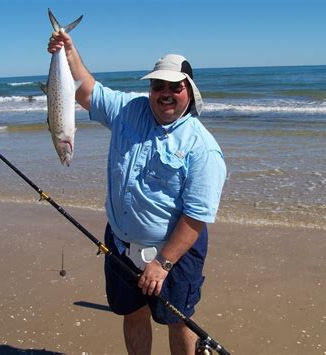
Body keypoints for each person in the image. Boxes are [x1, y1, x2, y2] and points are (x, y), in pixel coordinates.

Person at [48, 30, 226, 355]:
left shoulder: (203, 148)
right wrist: (67, 50)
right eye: (159, 85)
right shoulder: (129, 110)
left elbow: (196, 216)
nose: (166, 93)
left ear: (189, 90)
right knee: (132, 313)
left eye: (176, 86)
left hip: (174, 254)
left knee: (179, 320)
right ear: (150, 88)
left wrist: (162, 264)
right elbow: (87, 92)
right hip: (119, 241)